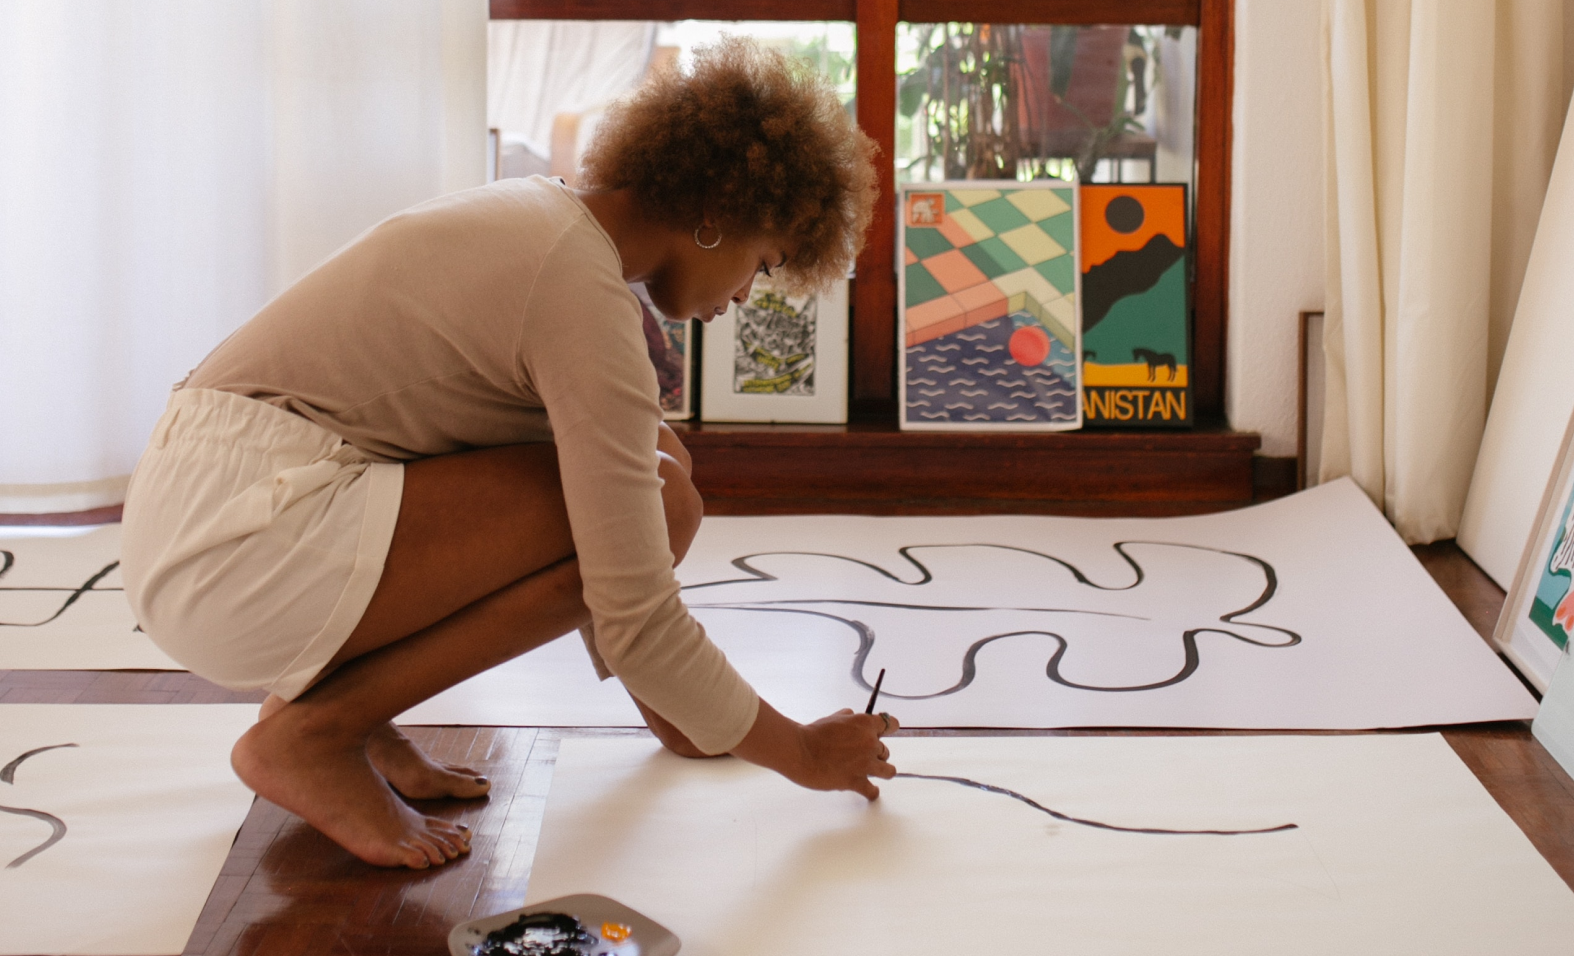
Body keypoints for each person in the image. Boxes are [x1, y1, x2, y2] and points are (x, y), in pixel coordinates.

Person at [119, 37, 893, 871]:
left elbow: (620, 557)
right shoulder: (577, 294)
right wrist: (800, 754)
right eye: (763, 262)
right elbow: (633, 605)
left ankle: (348, 716)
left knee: (653, 462)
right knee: (657, 496)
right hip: (236, 552)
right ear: (717, 212)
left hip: (214, 518)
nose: (745, 296)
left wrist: (692, 719)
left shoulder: (545, 222)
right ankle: (315, 733)